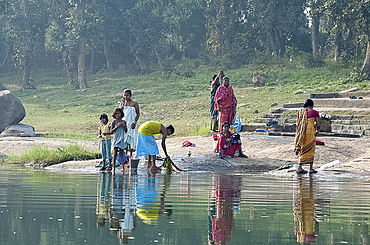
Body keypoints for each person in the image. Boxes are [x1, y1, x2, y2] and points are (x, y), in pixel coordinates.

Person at [294, 99, 321, 174]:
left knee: (302, 148)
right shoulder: (315, 112)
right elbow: (318, 124)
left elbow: (298, 123)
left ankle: (299, 167)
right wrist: (317, 131)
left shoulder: (300, 112)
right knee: (311, 148)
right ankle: (311, 168)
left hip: (301, 133)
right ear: (312, 105)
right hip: (310, 132)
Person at [119, 89, 140, 162]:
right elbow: (120, 114)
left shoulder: (134, 103)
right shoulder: (122, 104)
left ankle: (131, 157)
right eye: (124, 95)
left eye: (127, 95)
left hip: (132, 124)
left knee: (131, 140)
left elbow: (138, 114)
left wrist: (134, 122)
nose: (126, 97)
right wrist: (122, 104)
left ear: (130, 95)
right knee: (125, 141)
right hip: (125, 124)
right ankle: (126, 158)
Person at [109, 108, 127, 172]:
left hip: (121, 138)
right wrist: (116, 127)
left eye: (119, 113)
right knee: (115, 152)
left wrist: (124, 126)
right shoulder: (114, 122)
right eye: (116, 114)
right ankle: (113, 167)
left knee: (121, 152)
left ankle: (123, 167)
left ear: (121, 114)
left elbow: (126, 131)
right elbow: (111, 131)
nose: (117, 115)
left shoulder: (123, 122)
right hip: (116, 138)